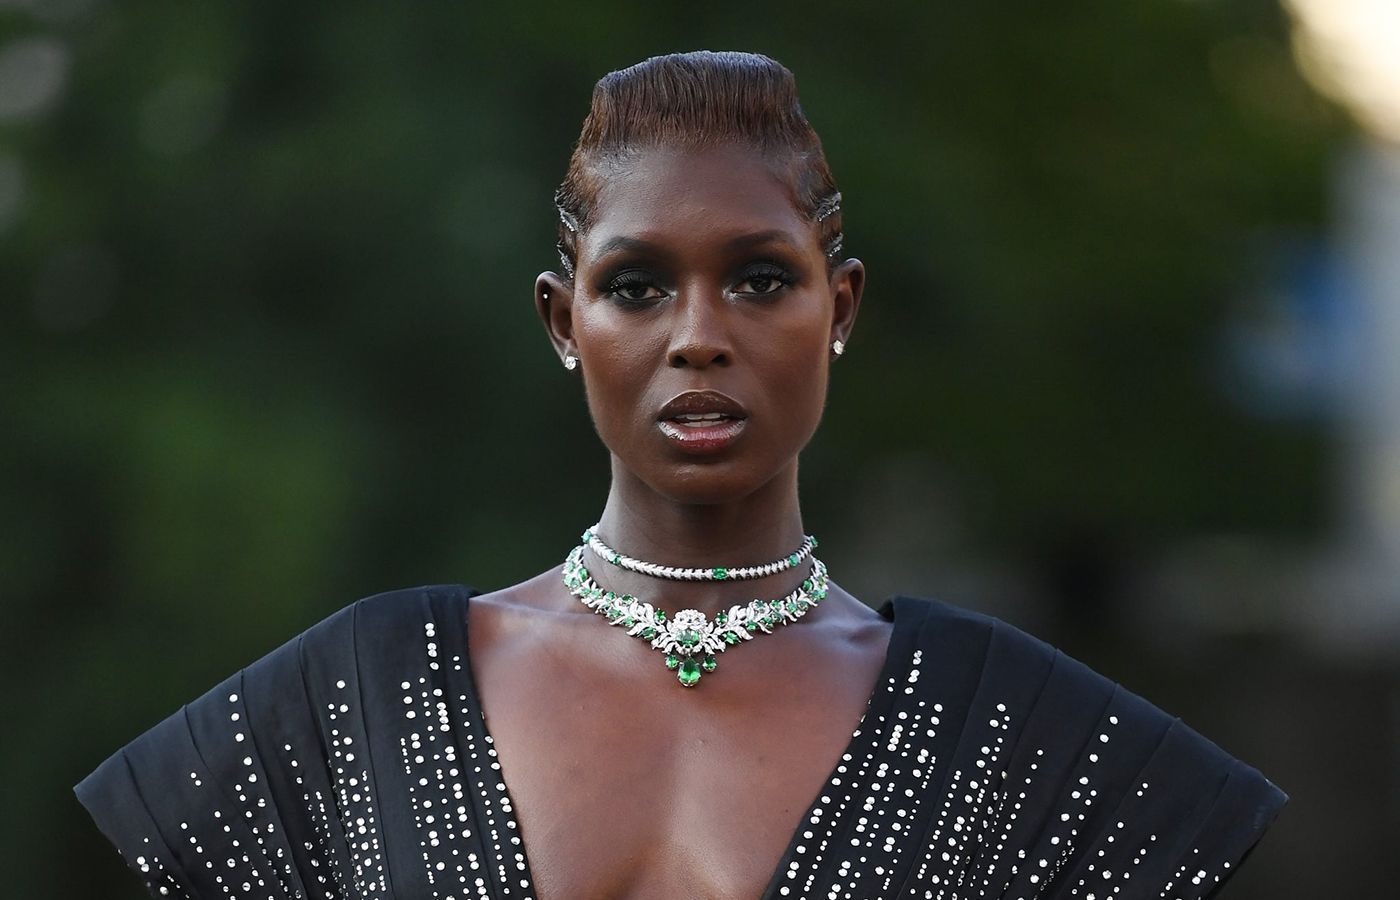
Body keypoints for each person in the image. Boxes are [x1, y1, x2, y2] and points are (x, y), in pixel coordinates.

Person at [76, 51, 1285, 900]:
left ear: (839, 306)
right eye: (636, 285)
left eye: (759, 279)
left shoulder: (1018, 739)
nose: (696, 335)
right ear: (562, 321)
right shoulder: (353, 702)